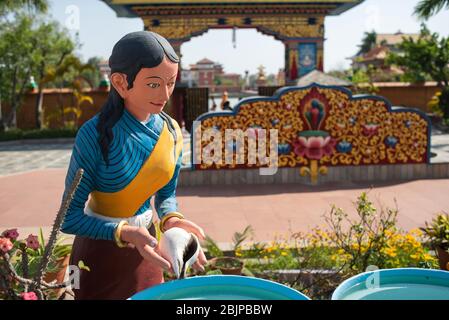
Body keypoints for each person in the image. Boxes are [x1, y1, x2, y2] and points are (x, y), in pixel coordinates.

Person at [60, 31, 207, 300]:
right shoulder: (92, 135)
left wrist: (173, 221)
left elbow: (166, 195)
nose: (165, 94)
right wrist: (125, 233)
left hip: (147, 249)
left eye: (171, 82)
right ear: (120, 82)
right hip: (96, 255)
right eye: (153, 84)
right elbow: (68, 219)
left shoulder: (172, 130)